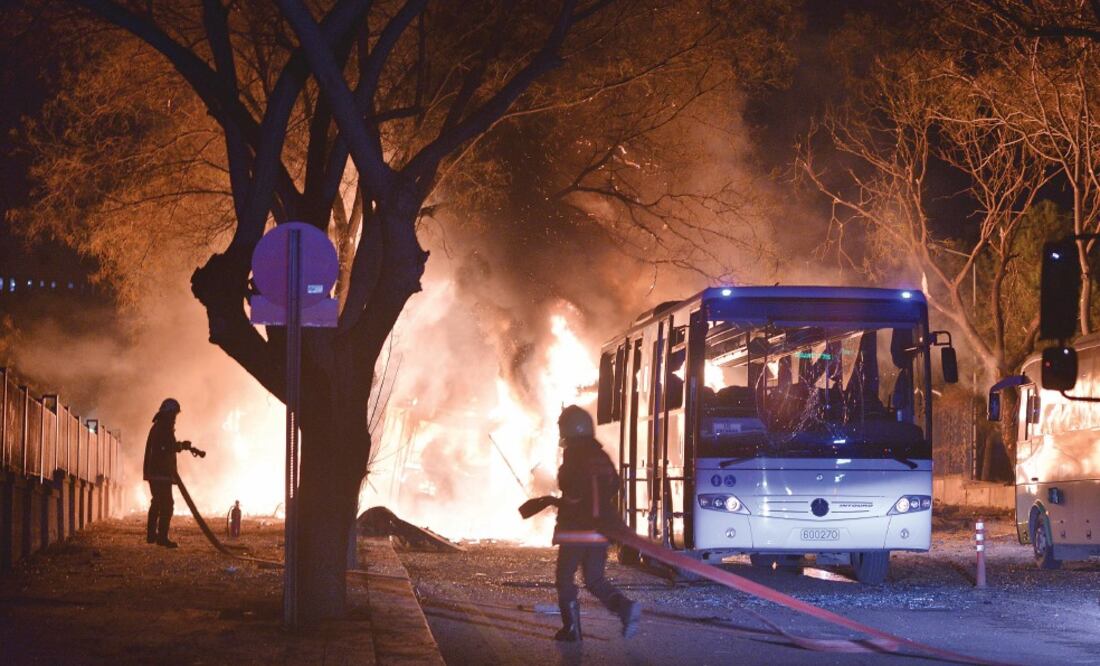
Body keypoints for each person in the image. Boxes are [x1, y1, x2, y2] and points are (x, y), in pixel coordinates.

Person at [552, 404, 641, 642]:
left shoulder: (573, 454)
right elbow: (614, 483)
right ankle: (625, 608)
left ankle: (572, 629)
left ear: (569, 430)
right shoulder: (600, 454)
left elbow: (568, 486)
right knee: (594, 579)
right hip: (601, 529)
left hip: (575, 529)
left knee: (564, 577)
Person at [143, 398, 192, 548]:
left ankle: (152, 535)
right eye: (175, 414)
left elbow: (165, 446)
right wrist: (181, 445)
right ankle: (161, 537)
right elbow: (165, 447)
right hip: (160, 474)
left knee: (157, 502)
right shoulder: (163, 427)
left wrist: (180, 446)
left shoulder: (159, 425)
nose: (175, 418)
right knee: (167, 504)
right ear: (169, 413)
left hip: (157, 473)